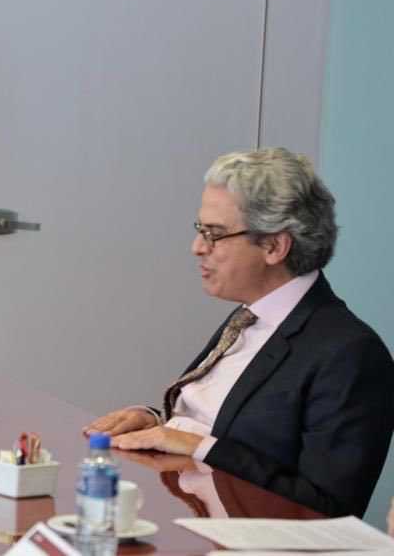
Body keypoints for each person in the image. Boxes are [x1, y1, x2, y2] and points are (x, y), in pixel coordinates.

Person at [83, 147, 394, 517]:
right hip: (186, 511)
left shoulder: (350, 354)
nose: (197, 248)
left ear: (274, 246)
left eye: (214, 234)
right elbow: (225, 423)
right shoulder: (248, 314)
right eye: (200, 230)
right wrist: (157, 422)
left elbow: (328, 508)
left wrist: (197, 445)